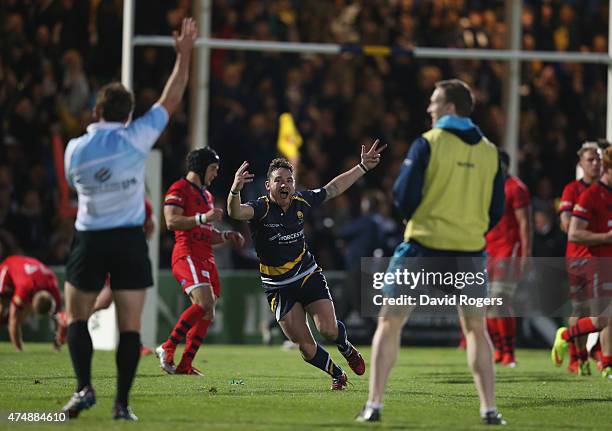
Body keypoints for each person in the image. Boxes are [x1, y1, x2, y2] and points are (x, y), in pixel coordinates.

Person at [60, 17, 197, 421]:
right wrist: (184, 55)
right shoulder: (136, 136)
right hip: (128, 240)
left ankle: (84, 387)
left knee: (77, 317)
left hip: (88, 238)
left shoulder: (74, 149)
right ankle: (122, 404)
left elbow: (73, 184)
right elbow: (171, 99)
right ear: (126, 116)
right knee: (131, 326)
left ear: (96, 109)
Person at [356, 79, 506, 425]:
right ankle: (489, 409)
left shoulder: (428, 143)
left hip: (423, 246)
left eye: (434, 102)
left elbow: (403, 194)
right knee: (475, 329)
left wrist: (416, 215)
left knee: (390, 321)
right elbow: (497, 208)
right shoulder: (490, 152)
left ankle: (374, 405)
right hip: (469, 250)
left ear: (450, 108)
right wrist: (471, 228)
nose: (429, 109)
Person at [227, 142, 385, 389]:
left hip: (306, 274)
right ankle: (337, 373)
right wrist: (235, 189)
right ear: (268, 185)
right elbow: (235, 212)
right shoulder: (260, 208)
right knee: (306, 347)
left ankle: (346, 347)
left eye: (289, 180)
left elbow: (332, 189)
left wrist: (363, 166)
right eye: (278, 180)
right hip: (278, 286)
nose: (285, 185)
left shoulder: (302, 200)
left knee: (329, 329)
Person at [156, 147, 245, 375]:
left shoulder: (205, 195)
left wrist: (225, 235)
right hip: (187, 254)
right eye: (213, 169)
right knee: (204, 303)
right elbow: (172, 221)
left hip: (206, 256)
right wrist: (203, 217)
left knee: (208, 312)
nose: (215, 174)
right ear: (201, 167)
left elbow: (206, 230)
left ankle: (185, 364)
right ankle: (168, 346)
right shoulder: (179, 188)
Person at [551, 145, 612, 379]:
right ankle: (577, 356)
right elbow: (569, 228)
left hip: (601, 257)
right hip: (580, 257)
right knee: (584, 309)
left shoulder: (604, 191)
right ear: (581, 163)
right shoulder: (575, 190)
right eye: (590, 160)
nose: (595, 164)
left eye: (598, 159)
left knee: (604, 313)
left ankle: (604, 361)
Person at [485, 151, 532, 368]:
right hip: (487, 250)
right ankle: (499, 350)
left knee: (499, 302)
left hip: (508, 251)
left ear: (504, 165)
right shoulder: (486, 187)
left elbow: (525, 223)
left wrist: (526, 254)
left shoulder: (516, 188)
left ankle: (509, 352)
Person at [0, 255, 65, 351]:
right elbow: (13, 319)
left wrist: (57, 345)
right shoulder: (25, 287)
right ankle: (17, 345)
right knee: (3, 307)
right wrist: (19, 349)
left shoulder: (52, 285)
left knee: (18, 315)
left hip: (25, 270)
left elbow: (57, 318)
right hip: (8, 267)